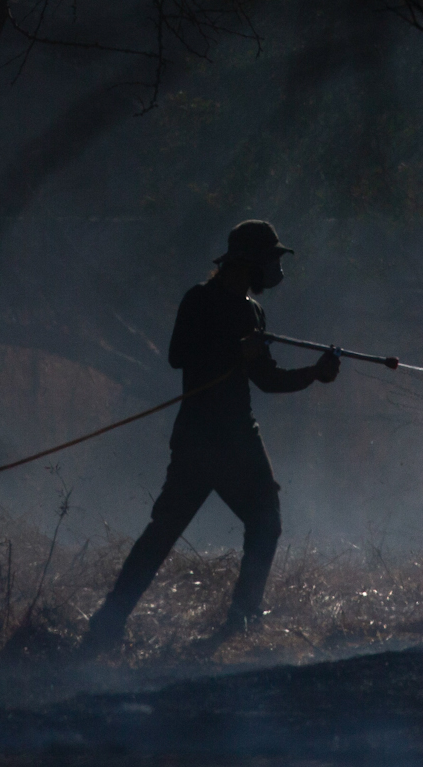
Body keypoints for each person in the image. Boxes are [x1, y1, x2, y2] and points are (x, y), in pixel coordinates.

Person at [79, 220, 340, 656]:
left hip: (241, 436)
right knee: (165, 531)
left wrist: (315, 374)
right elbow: (178, 356)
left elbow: (267, 380)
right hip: (200, 438)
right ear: (246, 262)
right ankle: (110, 620)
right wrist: (235, 352)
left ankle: (243, 617)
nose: (274, 267)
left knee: (266, 522)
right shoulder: (199, 300)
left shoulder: (254, 311)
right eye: (270, 258)